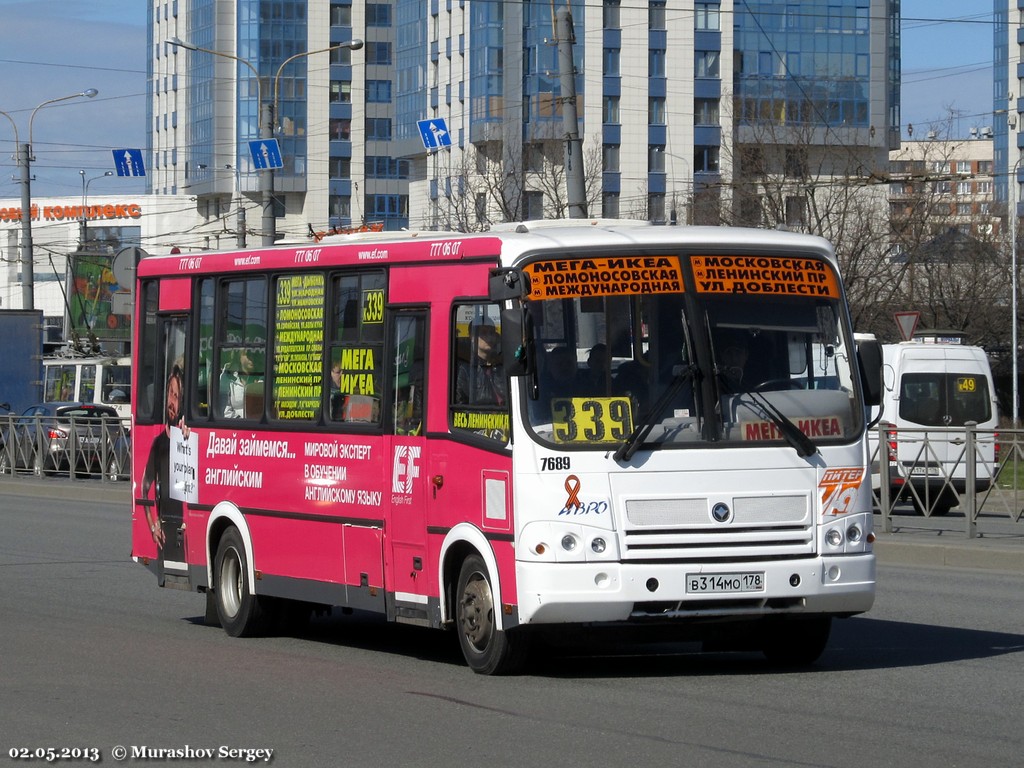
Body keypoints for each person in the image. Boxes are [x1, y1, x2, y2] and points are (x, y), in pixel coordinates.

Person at [141, 365, 189, 564]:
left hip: (184, 534)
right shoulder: (159, 442)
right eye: (171, 393)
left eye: (177, 397)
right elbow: (144, 488)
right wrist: (153, 526)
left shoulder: (186, 440)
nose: (172, 402)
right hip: (164, 534)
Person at [456, 324, 506, 405]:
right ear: (472, 337)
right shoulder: (464, 369)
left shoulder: (501, 365)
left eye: (492, 333)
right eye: (484, 333)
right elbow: (460, 404)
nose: (489, 337)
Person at [220, 348, 254, 418]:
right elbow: (225, 410)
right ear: (239, 357)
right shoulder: (227, 378)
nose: (252, 358)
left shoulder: (263, 378)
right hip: (235, 424)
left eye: (254, 354)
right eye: (247, 354)